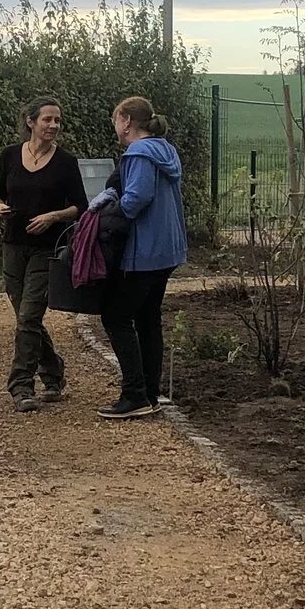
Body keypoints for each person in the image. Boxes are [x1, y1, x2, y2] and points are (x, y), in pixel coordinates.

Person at [0, 96, 88, 412]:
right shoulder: (9, 156)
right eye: (47, 120)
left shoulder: (66, 162)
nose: (53, 126)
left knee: (29, 316)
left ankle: (21, 387)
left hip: (48, 249)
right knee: (24, 318)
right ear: (31, 122)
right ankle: (54, 371)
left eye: (57, 120)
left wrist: (53, 217)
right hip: (13, 245)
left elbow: (81, 207)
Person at [94, 95, 187, 420]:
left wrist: (109, 216)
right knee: (148, 318)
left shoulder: (138, 152)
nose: (116, 127)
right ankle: (150, 393)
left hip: (144, 250)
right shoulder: (165, 150)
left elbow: (138, 196)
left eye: (116, 120)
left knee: (116, 317)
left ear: (127, 121)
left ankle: (133, 395)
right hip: (168, 249)